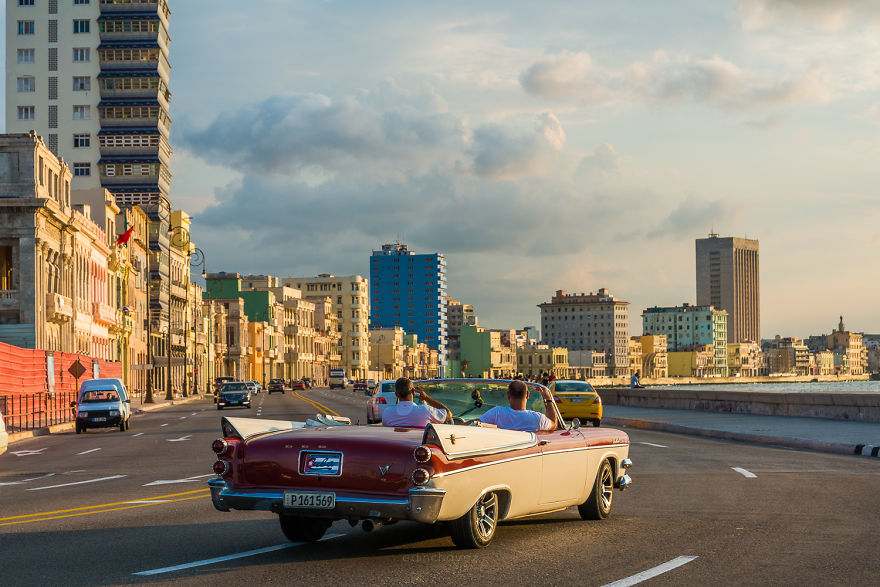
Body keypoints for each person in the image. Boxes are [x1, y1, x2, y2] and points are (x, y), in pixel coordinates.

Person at [473, 380, 557, 432]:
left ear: (508, 395)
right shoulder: (538, 419)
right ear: (527, 395)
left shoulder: (497, 413)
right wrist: (548, 399)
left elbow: (473, 424)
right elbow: (553, 423)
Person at [382, 377, 452, 427]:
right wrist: (426, 398)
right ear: (413, 391)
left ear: (396, 394)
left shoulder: (387, 413)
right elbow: (448, 414)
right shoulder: (425, 411)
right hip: (418, 447)